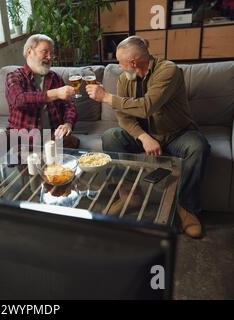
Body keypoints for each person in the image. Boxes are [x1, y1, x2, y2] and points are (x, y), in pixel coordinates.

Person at [86, 36, 210, 239]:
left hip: (175, 133)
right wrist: (143, 136)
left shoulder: (168, 71)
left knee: (198, 147)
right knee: (111, 137)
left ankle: (186, 209)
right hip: (144, 134)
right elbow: (123, 117)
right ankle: (129, 196)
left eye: (120, 62)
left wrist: (106, 97)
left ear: (133, 62)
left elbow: (146, 106)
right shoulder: (125, 78)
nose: (119, 66)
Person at [5, 34, 80, 150]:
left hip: (51, 135)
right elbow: (19, 100)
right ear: (30, 52)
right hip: (22, 135)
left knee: (72, 142)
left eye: (51, 53)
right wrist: (55, 93)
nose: (49, 57)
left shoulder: (55, 78)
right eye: (45, 52)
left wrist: (68, 124)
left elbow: (70, 105)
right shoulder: (15, 76)